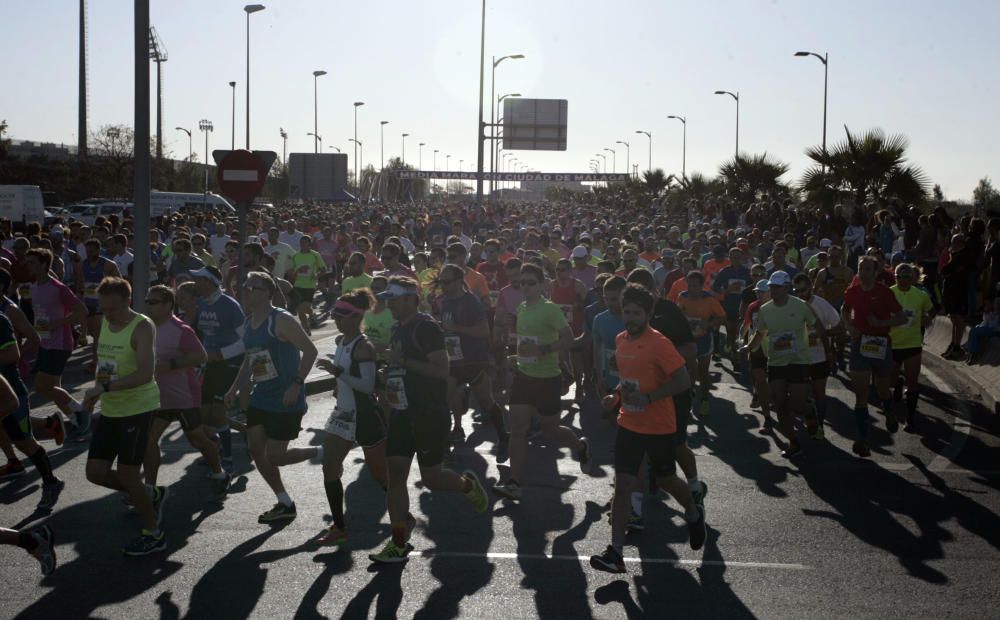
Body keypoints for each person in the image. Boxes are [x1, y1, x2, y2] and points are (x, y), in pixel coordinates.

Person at [368, 276, 488, 564]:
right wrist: (384, 379)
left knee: (432, 479)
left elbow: (441, 370)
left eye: (395, 299)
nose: (390, 305)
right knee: (396, 474)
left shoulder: (426, 327)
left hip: (429, 413)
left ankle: (467, 485)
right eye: (388, 300)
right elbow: (399, 368)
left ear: (411, 298)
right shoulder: (398, 329)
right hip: (402, 413)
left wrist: (402, 361)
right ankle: (398, 543)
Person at [589, 283, 706, 574]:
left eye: (636, 313)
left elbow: (682, 381)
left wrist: (651, 397)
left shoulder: (660, 343)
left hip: (658, 427)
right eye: (626, 312)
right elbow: (627, 380)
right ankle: (615, 552)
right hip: (629, 423)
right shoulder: (620, 339)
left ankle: (693, 512)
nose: (630, 318)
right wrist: (614, 397)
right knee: (624, 485)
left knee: (667, 480)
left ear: (648, 314)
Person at [225, 271, 321, 523]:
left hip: (285, 397)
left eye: (251, 287)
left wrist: (297, 385)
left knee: (276, 456)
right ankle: (284, 501)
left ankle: (321, 452)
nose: (245, 290)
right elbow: (249, 360)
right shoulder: (248, 322)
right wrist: (234, 388)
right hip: (262, 396)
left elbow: (311, 351)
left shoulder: (281, 320)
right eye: (243, 286)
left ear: (267, 292)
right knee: (256, 448)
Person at [81, 277, 167, 555]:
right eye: (103, 309)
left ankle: (154, 533)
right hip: (112, 407)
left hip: (139, 408)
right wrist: (96, 392)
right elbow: (106, 358)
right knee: (95, 472)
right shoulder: (106, 320)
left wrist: (104, 387)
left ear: (128, 302)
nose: (107, 315)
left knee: (130, 474)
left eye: (113, 309)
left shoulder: (142, 326)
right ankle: (148, 494)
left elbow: (145, 373)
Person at [493, 263, 593, 501]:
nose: (525, 286)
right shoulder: (522, 308)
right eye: (522, 282)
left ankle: (580, 447)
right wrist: (516, 357)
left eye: (530, 282)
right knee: (518, 429)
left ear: (541, 285)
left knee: (551, 431)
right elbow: (527, 344)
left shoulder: (550, 309)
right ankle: (515, 483)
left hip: (547, 378)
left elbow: (569, 339)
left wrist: (543, 349)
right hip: (523, 377)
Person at [314, 289, 388, 546]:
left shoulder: (363, 346)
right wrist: (338, 384)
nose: (337, 320)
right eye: (335, 315)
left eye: (343, 316)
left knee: (382, 477)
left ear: (357, 317)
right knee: (330, 467)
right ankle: (339, 527)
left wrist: (337, 373)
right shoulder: (341, 342)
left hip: (365, 416)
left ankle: (404, 518)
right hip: (344, 415)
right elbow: (347, 379)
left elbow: (367, 386)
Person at [143, 285, 230, 491]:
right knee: (148, 439)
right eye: (147, 301)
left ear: (168, 305)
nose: (148, 306)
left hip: (183, 395)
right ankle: (149, 489)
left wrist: (171, 365)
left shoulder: (181, 329)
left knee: (197, 438)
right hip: (158, 396)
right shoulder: (145, 327)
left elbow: (201, 356)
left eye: (153, 302)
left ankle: (220, 473)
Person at [741, 271, 823, 458]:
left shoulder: (800, 305)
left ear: (786, 287)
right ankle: (794, 442)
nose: (773, 290)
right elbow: (760, 333)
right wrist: (748, 347)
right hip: (776, 361)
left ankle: (809, 411)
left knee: (798, 406)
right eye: (771, 287)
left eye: (777, 287)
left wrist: (828, 351)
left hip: (798, 360)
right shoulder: (765, 309)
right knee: (779, 403)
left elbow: (816, 325)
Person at [436, 264, 509, 456]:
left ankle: (504, 436)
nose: (443, 285)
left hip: (473, 360)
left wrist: (456, 328)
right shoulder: (444, 301)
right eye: (441, 281)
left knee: (486, 401)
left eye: (447, 281)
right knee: (443, 396)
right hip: (452, 359)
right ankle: (450, 437)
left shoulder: (470, 301)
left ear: (460, 281)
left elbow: (484, 331)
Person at [841, 256, 908, 457]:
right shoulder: (852, 292)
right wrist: (849, 326)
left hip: (880, 344)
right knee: (861, 395)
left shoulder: (884, 292)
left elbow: (902, 316)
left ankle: (889, 411)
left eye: (868, 269)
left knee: (882, 390)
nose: (864, 273)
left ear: (875, 272)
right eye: (861, 269)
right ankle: (863, 440)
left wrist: (880, 324)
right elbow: (845, 309)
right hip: (859, 344)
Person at [0, 310, 63, 510]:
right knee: (10, 438)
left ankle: (51, 482)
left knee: (25, 443)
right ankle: (14, 462)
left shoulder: (1, 320)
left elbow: (12, 354)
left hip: (10, 393)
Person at [23, 249, 89, 432]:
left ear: (44, 265)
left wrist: (56, 324)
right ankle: (78, 422)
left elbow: (81, 311)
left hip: (60, 343)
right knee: (53, 388)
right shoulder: (33, 287)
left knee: (42, 386)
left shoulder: (58, 288)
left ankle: (81, 411)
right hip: (45, 343)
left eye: (32, 262)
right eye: (27, 262)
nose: (28, 266)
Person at [191, 266, 246, 472]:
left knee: (218, 414)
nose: (195, 283)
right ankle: (213, 452)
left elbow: (245, 340)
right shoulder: (203, 303)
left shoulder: (230, 306)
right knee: (203, 415)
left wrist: (221, 353)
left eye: (199, 279)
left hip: (229, 364)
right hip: (209, 364)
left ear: (210, 282)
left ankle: (228, 458)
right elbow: (206, 335)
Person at [791, 273, 842, 438]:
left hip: (820, 356)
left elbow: (839, 327)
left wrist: (823, 333)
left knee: (819, 393)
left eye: (803, 290)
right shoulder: (792, 305)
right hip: (799, 359)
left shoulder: (822, 305)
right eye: (796, 291)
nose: (800, 294)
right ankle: (810, 415)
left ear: (811, 287)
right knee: (801, 395)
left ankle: (819, 426)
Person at [888, 263, 934, 432]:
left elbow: (932, 310)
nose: (904, 280)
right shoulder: (889, 293)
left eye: (907, 277)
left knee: (913, 382)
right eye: (900, 277)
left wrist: (927, 320)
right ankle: (898, 383)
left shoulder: (921, 295)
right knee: (891, 382)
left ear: (913, 278)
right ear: (895, 277)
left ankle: (910, 418)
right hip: (893, 344)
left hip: (913, 344)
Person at [676, 271, 725, 416]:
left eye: (695, 286)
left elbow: (722, 317)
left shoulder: (710, 299)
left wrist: (708, 325)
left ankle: (704, 399)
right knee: (687, 370)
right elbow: (677, 314)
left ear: (702, 286)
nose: (691, 288)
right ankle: (688, 397)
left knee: (703, 372)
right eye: (689, 285)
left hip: (704, 339)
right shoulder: (682, 297)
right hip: (687, 339)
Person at [80, 239, 121, 366]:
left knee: (99, 334)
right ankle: (99, 360)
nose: (88, 253)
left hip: (103, 303)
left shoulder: (108, 264)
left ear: (98, 250)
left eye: (91, 251)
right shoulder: (83, 264)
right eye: (87, 251)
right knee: (93, 333)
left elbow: (120, 282)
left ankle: (97, 361)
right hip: (88, 302)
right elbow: (80, 284)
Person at [290, 235, 327, 336]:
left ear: (309, 245)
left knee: (304, 307)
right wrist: (298, 271)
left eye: (305, 243)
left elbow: (324, 269)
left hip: (310, 285)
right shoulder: (296, 255)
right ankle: (306, 330)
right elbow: (292, 272)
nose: (303, 245)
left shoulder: (315, 255)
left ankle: (311, 314)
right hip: (298, 285)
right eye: (301, 243)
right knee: (300, 311)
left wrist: (316, 276)